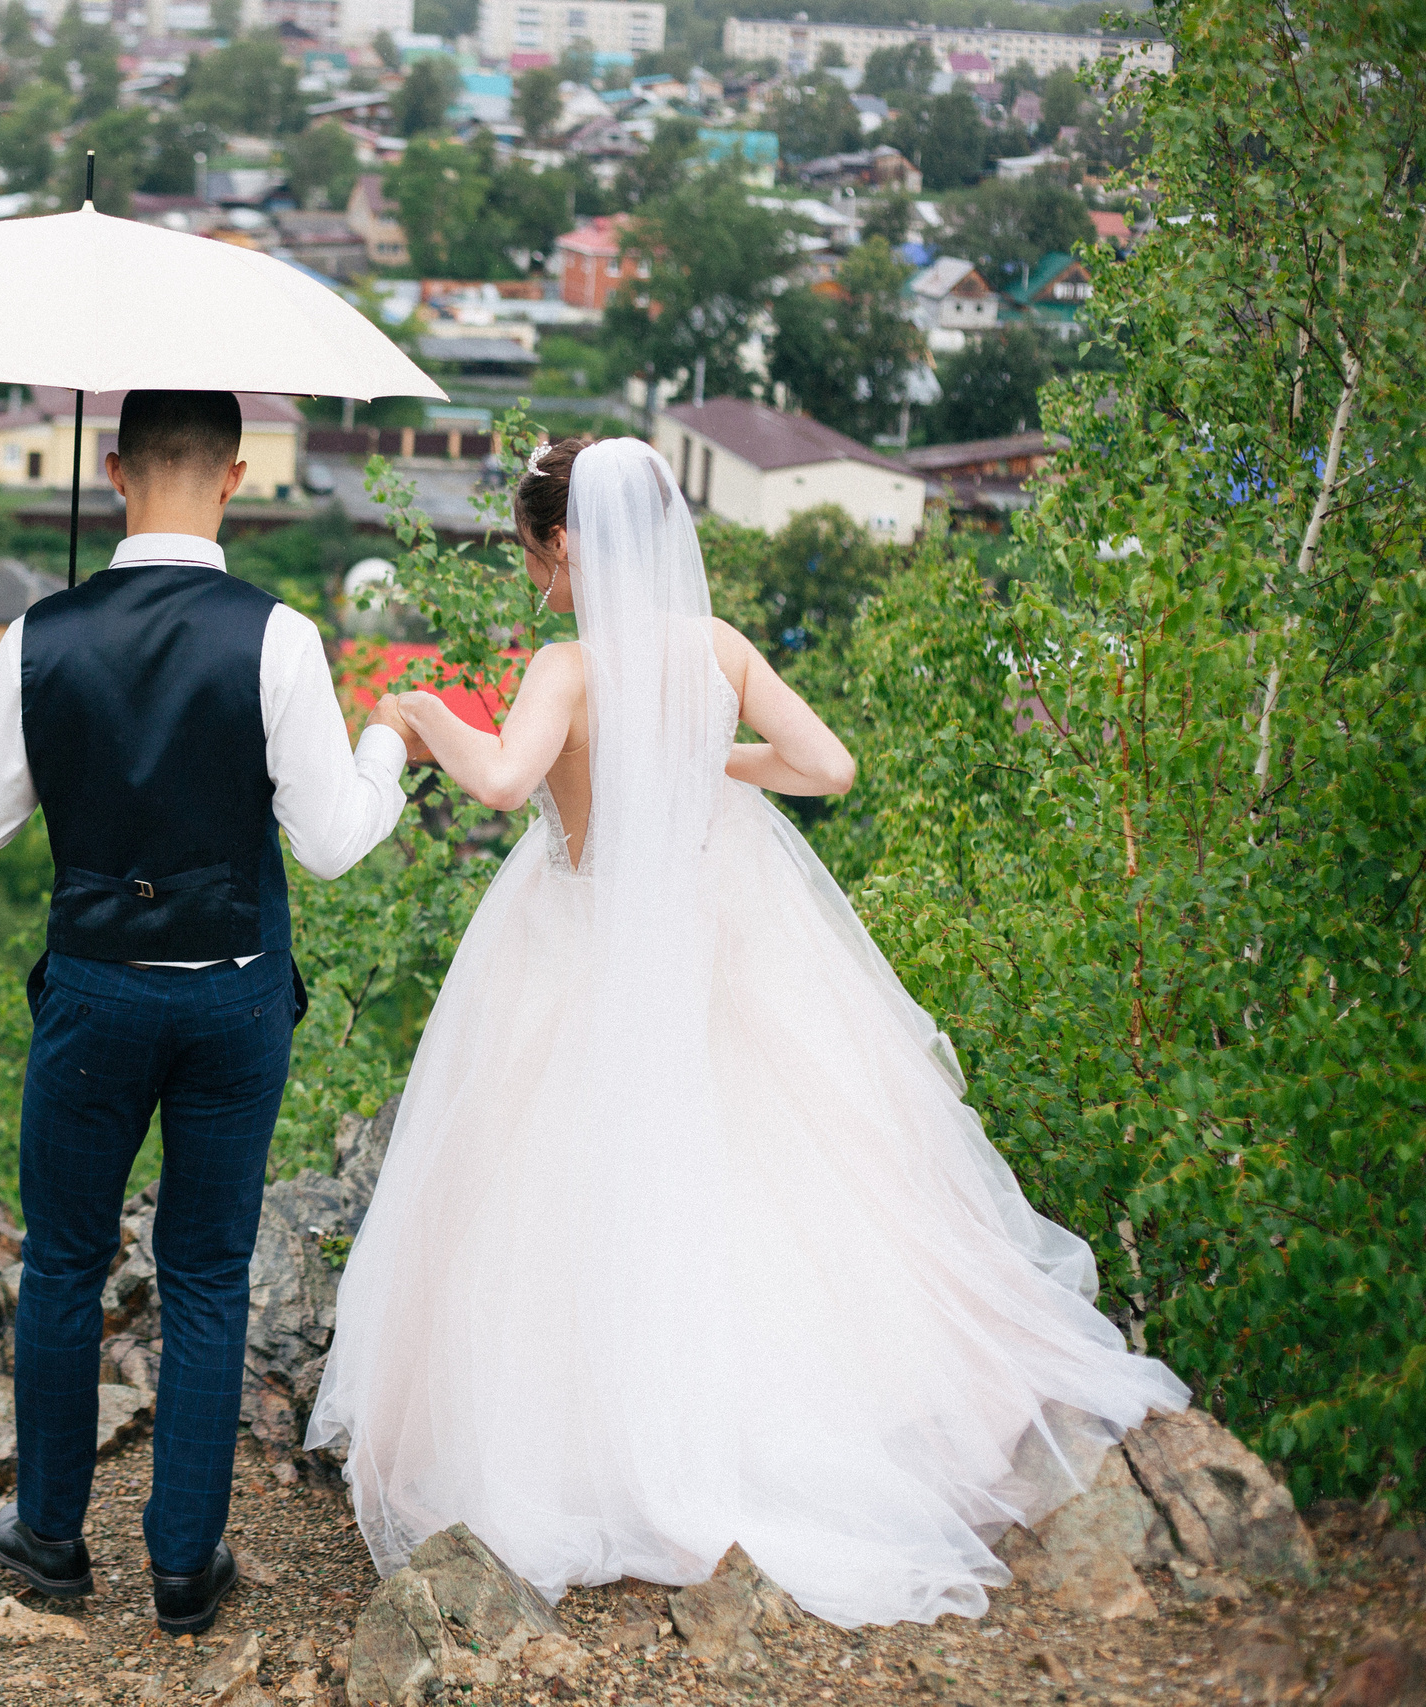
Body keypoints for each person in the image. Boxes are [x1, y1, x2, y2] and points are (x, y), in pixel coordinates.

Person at [307, 435, 1189, 1629]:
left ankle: (588, 1448)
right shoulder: (713, 651)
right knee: (759, 1183)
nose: (531, 575)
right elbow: (828, 765)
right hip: (709, 956)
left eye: (530, 553)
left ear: (562, 544)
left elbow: (508, 784)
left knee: (555, 1195)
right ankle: (785, 1425)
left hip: (575, 957)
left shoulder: (568, 668)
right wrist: (707, 760)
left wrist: (420, 714)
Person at [0, 389, 414, 1634]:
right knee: (205, 1277)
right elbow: (326, 846)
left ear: (111, 472)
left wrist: (46, 682)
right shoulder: (279, 637)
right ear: (233, 476)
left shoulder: (43, 634)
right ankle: (181, 1568)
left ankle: (47, 1538)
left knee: (61, 1260)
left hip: (93, 994)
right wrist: (384, 754)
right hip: (230, 998)